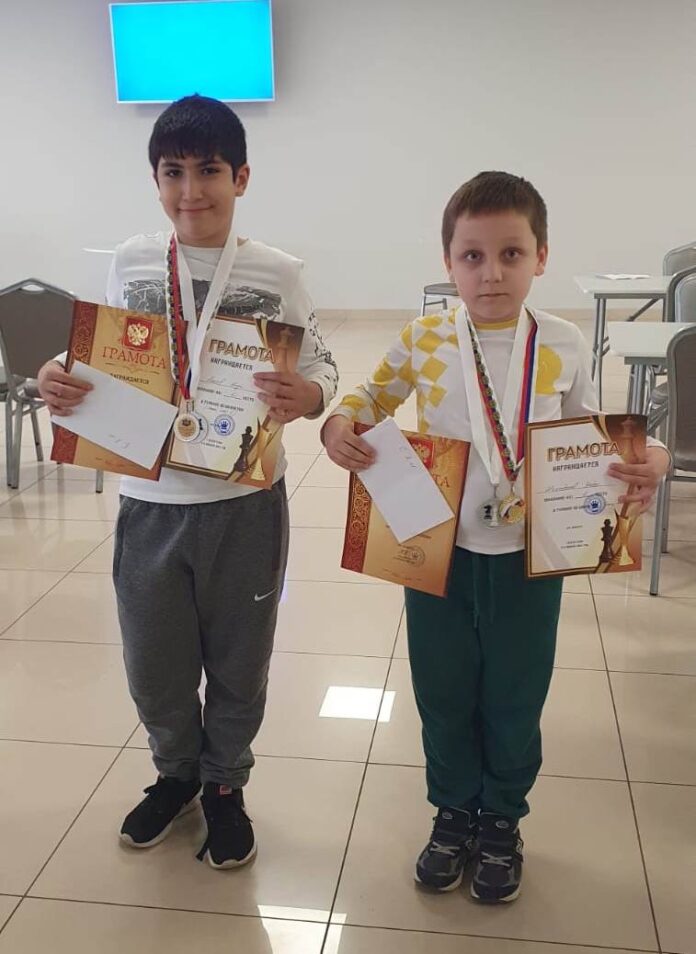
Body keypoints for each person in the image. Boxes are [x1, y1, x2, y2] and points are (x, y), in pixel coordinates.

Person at [322, 171, 669, 903]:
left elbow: (589, 435)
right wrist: (338, 424)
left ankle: (503, 817)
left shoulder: (562, 342)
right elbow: (369, 397)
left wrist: (649, 459)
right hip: (437, 551)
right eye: (472, 256)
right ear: (447, 261)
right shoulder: (424, 338)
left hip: (530, 557)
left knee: (516, 691)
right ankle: (453, 812)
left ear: (541, 256)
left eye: (511, 254)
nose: (491, 273)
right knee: (442, 688)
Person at [38, 95, 338, 870]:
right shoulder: (131, 262)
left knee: (240, 660)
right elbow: (100, 357)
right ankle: (176, 776)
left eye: (209, 171)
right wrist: (57, 374)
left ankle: (225, 785)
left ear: (241, 177)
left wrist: (310, 394)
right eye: (173, 172)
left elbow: (321, 364)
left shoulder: (279, 273)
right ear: (155, 180)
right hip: (151, 503)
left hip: (245, 503)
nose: (191, 190)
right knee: (155, 662)